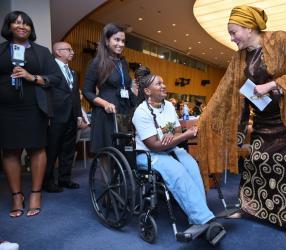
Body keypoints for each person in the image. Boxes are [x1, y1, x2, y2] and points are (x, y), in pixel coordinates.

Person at [197, 5, 286, 242]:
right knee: (256, 164)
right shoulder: (240, 57)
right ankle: (250, 207)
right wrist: (204, 120)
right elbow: (226, 90)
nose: (232, 37)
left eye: (234, 32)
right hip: (263, 119)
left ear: (249, 27)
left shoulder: (281, 40)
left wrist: (272, 85)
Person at [132, 66, 216, 225]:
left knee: (191, 165)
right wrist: (183, 135)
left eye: (163, 82)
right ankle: (203, 219)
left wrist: (171, 135)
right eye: (158, 84)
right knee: (177, 171)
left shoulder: (169, 106)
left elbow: (176, 130)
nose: (163, 85)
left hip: (170, 149)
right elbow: (155, 145)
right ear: (147, 91)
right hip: (148, 155)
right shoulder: (141, 112)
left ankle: (198, 213)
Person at [0, 11, 61, 217]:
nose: (22, 26)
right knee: (10, 151)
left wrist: (32, 77)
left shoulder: (42, 52)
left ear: (31, 29)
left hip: (34, 107)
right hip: (6, 108)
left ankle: (35, 193)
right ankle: (17, 196)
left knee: (36, 148)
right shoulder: (0, 51)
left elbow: (55, 78)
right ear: (8, 27)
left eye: (26, 23)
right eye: (17, 23)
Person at [83, 23, 137, 153]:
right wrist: (104, 103)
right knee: (107, 152)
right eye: (116, 40)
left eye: (123, 41)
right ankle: (106, 175)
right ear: (107, 41)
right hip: (106, 113)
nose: (121, 44)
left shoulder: (123, 62)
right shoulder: (97, 62)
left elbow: (124, 85)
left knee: (123, 151)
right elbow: (87, 91)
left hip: (123, 113)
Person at [43, 42, 82, 193]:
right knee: (52, 150)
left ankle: (65, 179)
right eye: (69, 49)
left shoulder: (72, 72)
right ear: (58, 52)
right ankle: (48, 182)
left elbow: (75, 96)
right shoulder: (50, 69)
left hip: (71, 116)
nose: (72, 52)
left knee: (68, 150)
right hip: (55, 116)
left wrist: (78, 114)